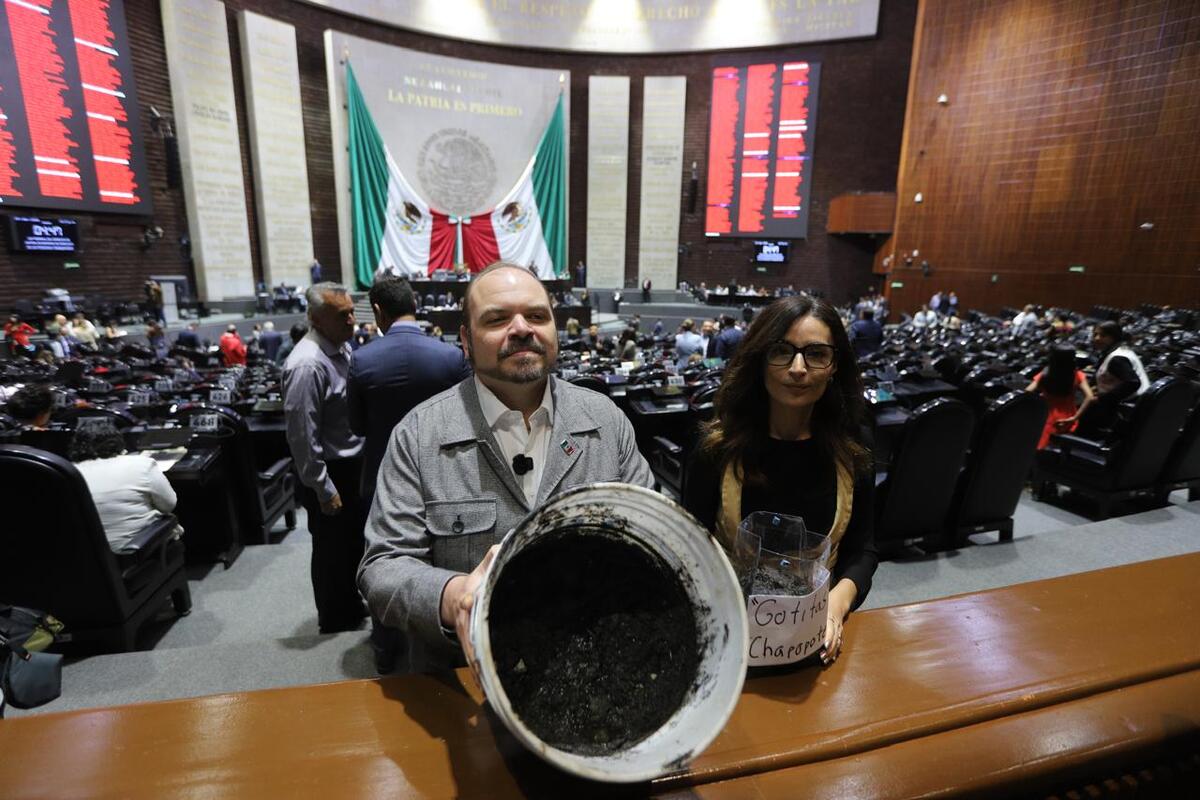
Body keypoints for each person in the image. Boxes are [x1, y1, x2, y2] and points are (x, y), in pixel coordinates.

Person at [358, 262, 654, 674]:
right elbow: (383, 567)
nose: (521, 329)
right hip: (462, 684)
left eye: (537, 316)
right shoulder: (418, 434)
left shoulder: (607, 420)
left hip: (593, 673)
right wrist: (453, 595)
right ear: (465, 339)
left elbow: (652, 535)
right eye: (497, 319)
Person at [683, 295, 878, 667]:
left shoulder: (855, 449)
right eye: (782, 351)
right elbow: (692, 548)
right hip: (729, 642)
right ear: (759, 358)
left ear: (834, 364)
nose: (798, 368)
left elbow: (862, 551)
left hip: (818, 642)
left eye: (816, 354)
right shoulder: (715, 448)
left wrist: (836, 606)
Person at [348, 277, 471, 673]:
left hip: (380, 475)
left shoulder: (362, 359)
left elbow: (357, 426)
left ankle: (386, 650)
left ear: (379, 312)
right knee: (444, 556)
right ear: (415, 305)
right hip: (447, 474)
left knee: (385, 559)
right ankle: (443, 647)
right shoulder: (449, 356)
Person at [282, 283, 366, 633]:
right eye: (342, 315)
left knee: (349, 546)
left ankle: (349, 604)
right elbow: (303, 435)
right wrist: (322, 487)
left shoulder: (340, 348)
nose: (352, 320)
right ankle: (334, 618)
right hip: (330, 473)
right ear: (316, 319)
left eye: (351, 311)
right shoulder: (306, 365)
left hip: (349, 467)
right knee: (331, 551)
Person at [69, 425, 180, 553]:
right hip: (132, 553)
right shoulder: (142, 464)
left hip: (84, 556)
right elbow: (169, 505)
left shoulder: (69, 471)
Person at [1074, 321, 1150, 439]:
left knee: (1078, 411)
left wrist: (1101, 398)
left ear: (1114, 337)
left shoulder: (1117, 358)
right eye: (1095, 335)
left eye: (1103, 335)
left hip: (1126, 408)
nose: (1097, 338)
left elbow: (1133, 383)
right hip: (1125, 403)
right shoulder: (1119, 350)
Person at [1027, 345, 1094, 449]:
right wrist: (1075, 417)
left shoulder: (1045, 374)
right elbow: (1090, 397)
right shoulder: (1077, 375)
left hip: (1045, 415)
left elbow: (1027, 392)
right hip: (1067, 417)